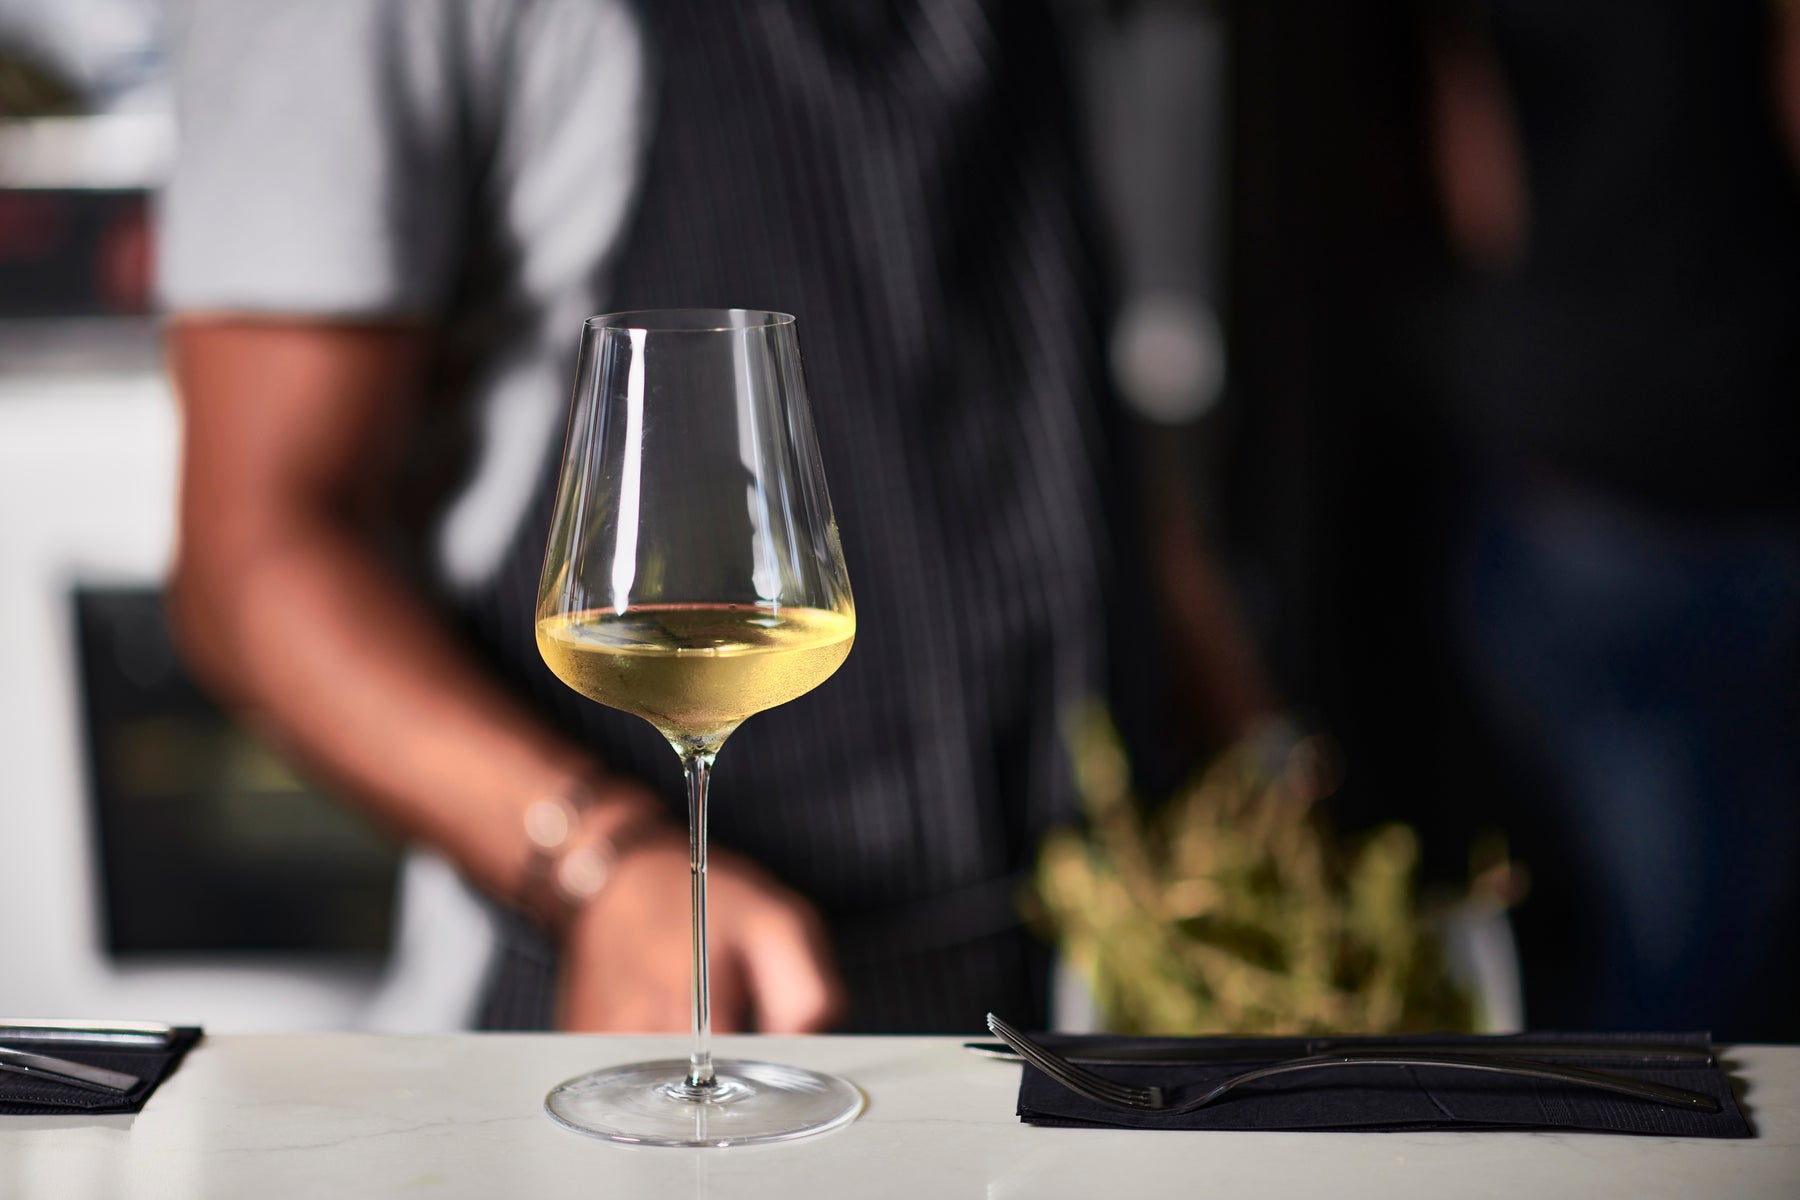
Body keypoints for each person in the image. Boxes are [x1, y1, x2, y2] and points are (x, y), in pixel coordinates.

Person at [160, 0, 1276, 1033]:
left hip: (1076, 995)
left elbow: (1069, 407)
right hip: (635, 991)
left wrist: (1256, 762)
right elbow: (251, 552)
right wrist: (597, 865)